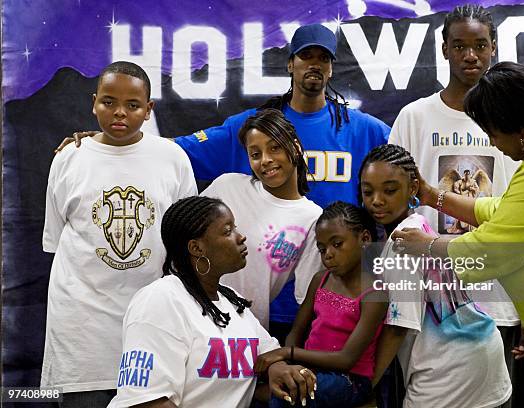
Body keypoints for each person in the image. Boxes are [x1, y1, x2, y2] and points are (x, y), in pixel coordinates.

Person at [58, 23, 390, 343]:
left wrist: (380, 286)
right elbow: (171, 149)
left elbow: (395, 201)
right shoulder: (252, 127)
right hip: (248, 308)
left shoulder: (364, 130)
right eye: (306, 56)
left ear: (332, 67)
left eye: (323, 58)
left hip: (336, 301)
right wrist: (108, 141)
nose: (314, 65)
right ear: (291, 63)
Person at [391, 62, 524, 406]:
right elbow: (503, 211)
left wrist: (429, 245)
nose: (495, 144)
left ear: (518, 126)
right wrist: (432, 195)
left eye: (494, 134)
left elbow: (492, 250)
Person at [388, 5, 524, 405]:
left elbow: (522, 218)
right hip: (427, 296)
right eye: (460, 46)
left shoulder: (514, 125)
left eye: (480, 45)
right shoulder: (414, 116)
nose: (471, 56)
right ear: (444, 49)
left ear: (493, 49)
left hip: (495, 291)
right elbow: (391, 199)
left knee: (493, 397)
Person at [41, 61, 197, 407]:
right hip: (81, 336)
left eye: (133, 105)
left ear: (148, 109)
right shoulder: (70, 158)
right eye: (108, 102)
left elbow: (187, 241)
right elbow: (55, 240)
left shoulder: (171, 158)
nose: (119, 113)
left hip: (152, 330)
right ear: (94, 102)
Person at [107, 196, 317, 408]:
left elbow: (269, 354)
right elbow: (148, 402)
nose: (241, 237)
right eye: (227, 231)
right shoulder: (161, 299)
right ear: (196, 248)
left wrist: (278, 368)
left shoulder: (232, 302)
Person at [360, 144, 512, 407]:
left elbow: (399, 328)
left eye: (390, 190)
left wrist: (363, 388)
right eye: (367, 191)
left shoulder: (401, 244)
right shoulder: (418, 225)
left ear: (413, 188)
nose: (376, 200)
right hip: (484, 355)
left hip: (450, 376)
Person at [254, 201, 389, 407]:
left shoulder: (375, 294)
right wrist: (292, 366)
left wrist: (286, 353)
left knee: (286, 396)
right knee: (273, 382)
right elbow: (296, 331)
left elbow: (346, 359)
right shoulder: (321, 279)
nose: (328, 254)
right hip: (311, 368)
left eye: (337, 244)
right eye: (322, 248)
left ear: (364, 239)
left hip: (350, 380)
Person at [201, 109, 322, 328]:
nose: (265, 160)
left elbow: (307, 297)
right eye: (255, 154)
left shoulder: (312, 218)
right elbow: (184, 238)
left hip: (246, 331)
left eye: (274, 148)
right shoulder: (227, 186)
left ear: (295, 147)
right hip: (193, 316)